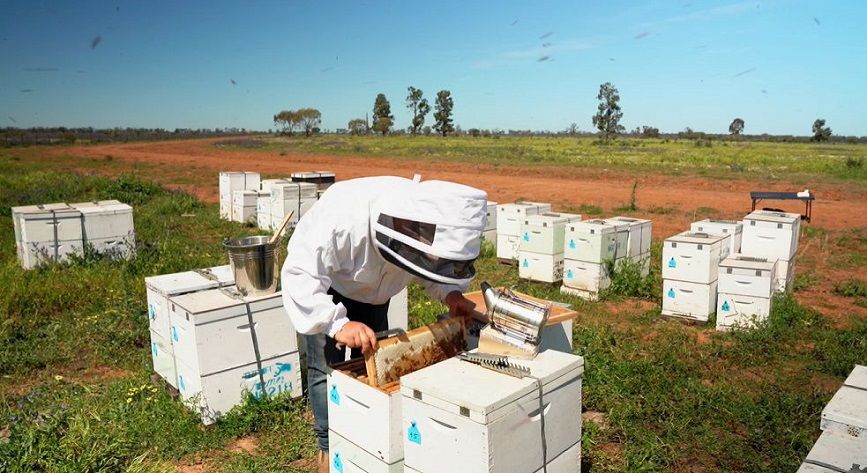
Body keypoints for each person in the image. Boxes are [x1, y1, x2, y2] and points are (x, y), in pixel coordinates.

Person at [280, 175, 487, 472]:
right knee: (326, 368)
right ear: (405, 227)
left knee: (376, 364)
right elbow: (301, 273)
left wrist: (451, 295)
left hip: (377, 295)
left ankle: (367, 434)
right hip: (328, 288)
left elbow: (430, 264)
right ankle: (328, 447)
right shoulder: (343, 217)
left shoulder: (423, 221)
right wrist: (337, 324)